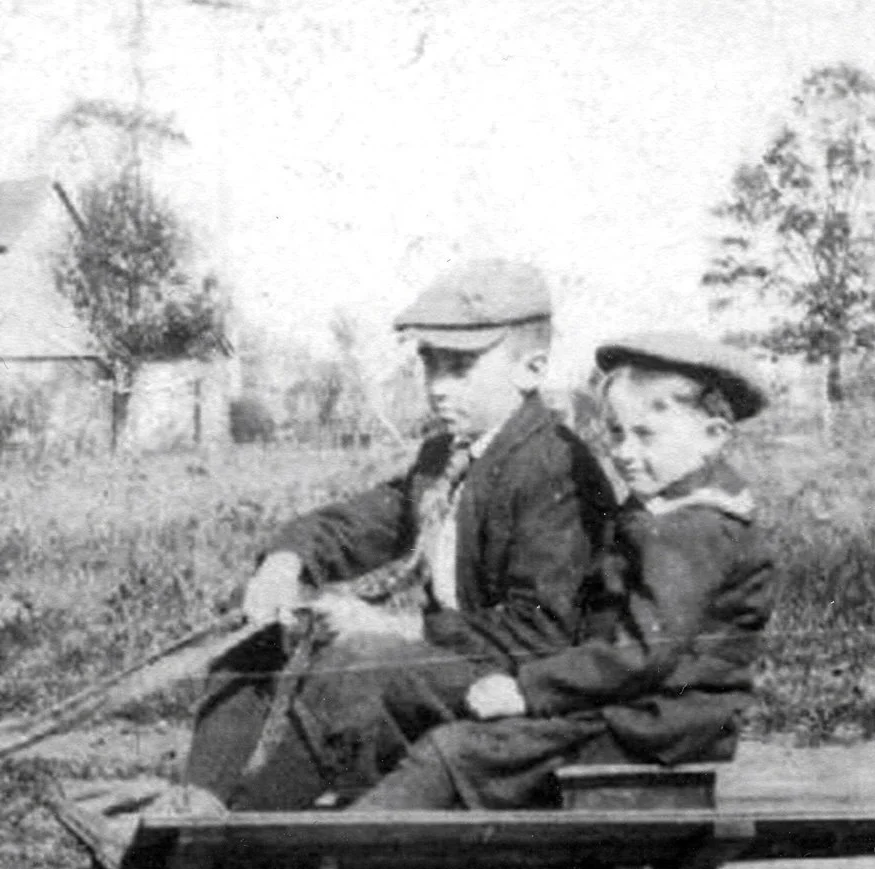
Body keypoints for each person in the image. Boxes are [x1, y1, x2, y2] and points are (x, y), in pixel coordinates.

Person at [176, 258, 611, 812]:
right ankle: (199, 798)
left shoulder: (555, 470)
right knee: (263, 615)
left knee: (361, 663)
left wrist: (399, 627)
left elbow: (541, 633)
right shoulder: (446, 457)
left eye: (460, 368)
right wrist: (285, 562)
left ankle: (243, 830)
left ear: (531, 369)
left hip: (529, 692)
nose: (437, 388)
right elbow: (359, 523)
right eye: (430, 365)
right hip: (460, 669)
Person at [355, 330, 773, 810]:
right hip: (635, 706)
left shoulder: (694, 528)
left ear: (713, 437)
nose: (624, 452)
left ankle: (348, 841)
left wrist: (528, 690)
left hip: (655, 723)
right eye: (616, 432)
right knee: (429, 702)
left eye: (646, 435)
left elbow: (642, 654)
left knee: (455, 751)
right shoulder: (667, 508)